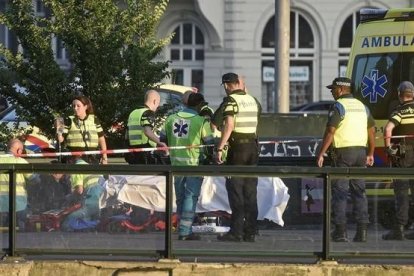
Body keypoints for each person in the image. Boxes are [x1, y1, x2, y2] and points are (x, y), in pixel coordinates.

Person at [317, 77, 375, 243]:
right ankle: (362, 232)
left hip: (343, 154)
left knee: (340, 192)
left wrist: (321, 152)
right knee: (359, 192)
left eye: (333, 89)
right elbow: (371, 131)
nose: (331, 92)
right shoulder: (362, 106)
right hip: (361, 153)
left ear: (341, 89)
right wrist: (370, 153)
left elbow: (330, 131)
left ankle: (341, 232)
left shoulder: (338, 106)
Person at [215, 72, 261, 242]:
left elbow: (229, 125)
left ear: (227, 85)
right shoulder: (252, 100)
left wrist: (220, 148)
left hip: (238, 149)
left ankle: (236, 232)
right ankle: (251, 231)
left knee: (236, 191)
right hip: (252, 147)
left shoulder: (231, 101)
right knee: (250, 191)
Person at [163, 92, 214, 240]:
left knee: (179, 198)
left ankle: (181, 228)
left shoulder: (171, 118)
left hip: (175, 165)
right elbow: (210, 143)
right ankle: (185, 231)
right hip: (193, 164)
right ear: (199, 105)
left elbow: (162, 139)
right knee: (190, 197)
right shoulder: (201, 121)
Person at [382, 81, 414, 240]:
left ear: (400, 95)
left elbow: (388, 129)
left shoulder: (399, 110)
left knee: (401, 192)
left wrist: (388, 148)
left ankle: (399, 229)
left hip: (404, 156)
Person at [56, 95, 108, 164]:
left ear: (85, 107)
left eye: (78, 106)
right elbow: (60, 140)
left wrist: (105, 157)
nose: (75, 108)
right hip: (74, 158)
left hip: (93, 158)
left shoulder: (94, 119)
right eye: (73, 106)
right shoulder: (69, 120)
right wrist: (59, 130)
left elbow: (101, 139)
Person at [61, 156, 103, 231]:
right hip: (101, 196)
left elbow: (79, 191)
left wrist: (68, 198)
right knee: (89, 217)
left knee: (69, 220)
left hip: (92, 197)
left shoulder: (77, 168)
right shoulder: (89, 166)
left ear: (69, 161)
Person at [125, 90, 167, 164]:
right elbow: (147, 131)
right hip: (145, 152)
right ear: (154, 101)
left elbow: (126, 134)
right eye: (158, 103)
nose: (157, 106)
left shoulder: (133, 113)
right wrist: (160, 143)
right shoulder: (148, 113)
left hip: (132, 153)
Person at [0, 139, 32, 231]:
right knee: (21, 232)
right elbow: (34, 178)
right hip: (18, 204)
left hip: (1, 205)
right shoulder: (20, 161)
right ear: (18, 150)